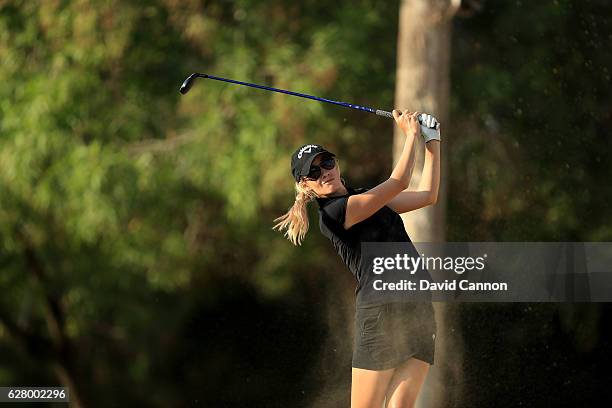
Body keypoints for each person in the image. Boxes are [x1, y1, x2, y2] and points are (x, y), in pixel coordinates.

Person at [274, 110, 441, 408]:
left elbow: (428, 195)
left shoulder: (365, 195)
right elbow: (399, 182)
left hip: (417, 304)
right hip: (381, 311)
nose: (324, 172)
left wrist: (432, 141)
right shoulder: (334, 213)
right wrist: (412, 135)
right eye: (313, 172)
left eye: (326, 162)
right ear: (304, 185)